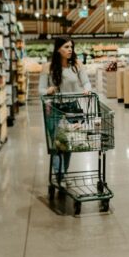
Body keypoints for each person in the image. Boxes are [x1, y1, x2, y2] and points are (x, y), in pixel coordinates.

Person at [39, 37, 92, 183]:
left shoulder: (76, 65)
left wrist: (87, 90)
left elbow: (86, 82)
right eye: (66, 47)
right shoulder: (47, 67)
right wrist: (48, 90)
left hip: (72, 108)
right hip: (54, 108)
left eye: (71, 47)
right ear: (58, 49)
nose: (70, 49)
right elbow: (40, 90)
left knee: (69, 142)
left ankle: (63, 173)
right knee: (57, 144)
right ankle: (60, 175)